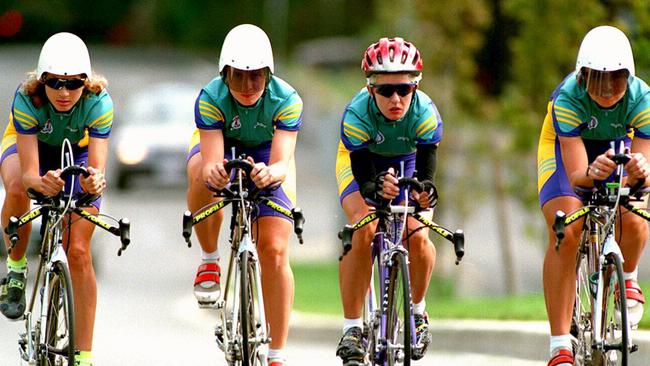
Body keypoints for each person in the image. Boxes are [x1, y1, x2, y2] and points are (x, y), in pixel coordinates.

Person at [185, 24, 302, 366]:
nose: (249, 86)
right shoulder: (211, 98)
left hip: (268, 156)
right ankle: (209, 261)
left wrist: (272, 173)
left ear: (269, 75)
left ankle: (277, 354)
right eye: (239, 77)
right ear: (225, 75)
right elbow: (209, 162)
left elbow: (282, 160)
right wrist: (215, 171)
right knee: (198, 175)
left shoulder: (287, 99)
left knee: (275, 251)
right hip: (223, 147)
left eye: (257, 77)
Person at [537, 25, 650, 366]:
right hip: (568, 151)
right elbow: (576, 177)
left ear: (628, 78)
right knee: (568, 229)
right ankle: (560, 345)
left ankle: (627, 278)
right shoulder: (567, 98)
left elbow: (643, 176)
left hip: (616, 147)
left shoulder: (642, 99)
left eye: (615, 80)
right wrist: (591, 173)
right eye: (596, 80)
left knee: (633, 208)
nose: (605, 90)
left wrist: (638, 172)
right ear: (581, 76)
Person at [0, 32, 112, 366]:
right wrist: (40, 182)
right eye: (55, 83)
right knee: (19, 186)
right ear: (42, 82)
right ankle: (17, 270)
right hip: (30, 149)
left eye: (73, 84)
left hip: (76, 153)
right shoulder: (27, 99)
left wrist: (94, 181)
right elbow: (31, 174)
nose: (64, 93)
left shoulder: (100, 102)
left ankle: (85, 356)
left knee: (79, 252)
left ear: (86, 83)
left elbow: (96, 170)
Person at [334, 37, 441, 365]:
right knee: (362, 229)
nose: (396, 98)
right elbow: (364, 176)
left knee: (418, 233)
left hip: (408, 162)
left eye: (404, 90)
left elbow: (426, 169)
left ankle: (418, 311)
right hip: (362, 163)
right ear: (370, 89)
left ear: (416, 87)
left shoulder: (425, 113)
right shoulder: (356, 114)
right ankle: (352, 327)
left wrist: (424, 191)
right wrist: (374, 188)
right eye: (385, 91)